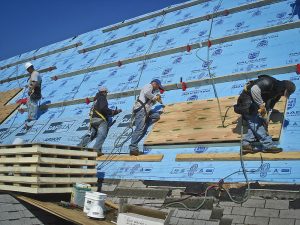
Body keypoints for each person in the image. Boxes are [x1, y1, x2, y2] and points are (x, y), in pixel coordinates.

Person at [234, 75, 296, 154]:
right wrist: (261, 105)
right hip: (246, 103)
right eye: (285, 93)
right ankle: (268, 146)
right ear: (284, 88)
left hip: (254, 105)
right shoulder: (269, 82)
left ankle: (246, 145)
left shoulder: (277, 94)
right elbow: (254, 89)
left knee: (257, 123)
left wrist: (266, 117)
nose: (283, 95)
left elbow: (270, 107)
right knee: (256, 123)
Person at [78, 87, 122, 153]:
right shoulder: (102, 98)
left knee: (92, 135)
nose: (106, 94)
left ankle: (79, 147)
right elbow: (103, 109)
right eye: (106, 92)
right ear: (104, 92)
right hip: (100, 120)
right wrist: (114, 112)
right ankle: (96, 150)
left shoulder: (96, 99)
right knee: (102, 135)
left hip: (93, 120)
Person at [129, 79, 164, 156]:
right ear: (155, 84)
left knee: (156, 116)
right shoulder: (149, 86)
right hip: (141, 110)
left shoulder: (151, 91)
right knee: (139, 129)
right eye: (158, 86)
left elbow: (150, 101)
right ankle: (133, 148)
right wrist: (155, 97)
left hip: (146, 111)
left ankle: (145, 122)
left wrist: (156, 99)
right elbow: (147, 93)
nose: (158, 88)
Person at [24, 62, 42, 129]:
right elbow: (33, 83)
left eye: (28, 70)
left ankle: (32, 120)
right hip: (34, 92)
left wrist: (30, 90)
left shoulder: (34, 73)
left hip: (35, 92)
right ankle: (30, 118)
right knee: (29, 104)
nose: (28, 71)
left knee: (33, 105)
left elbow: (35, 83)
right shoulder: (33, 74)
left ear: (30, 68)